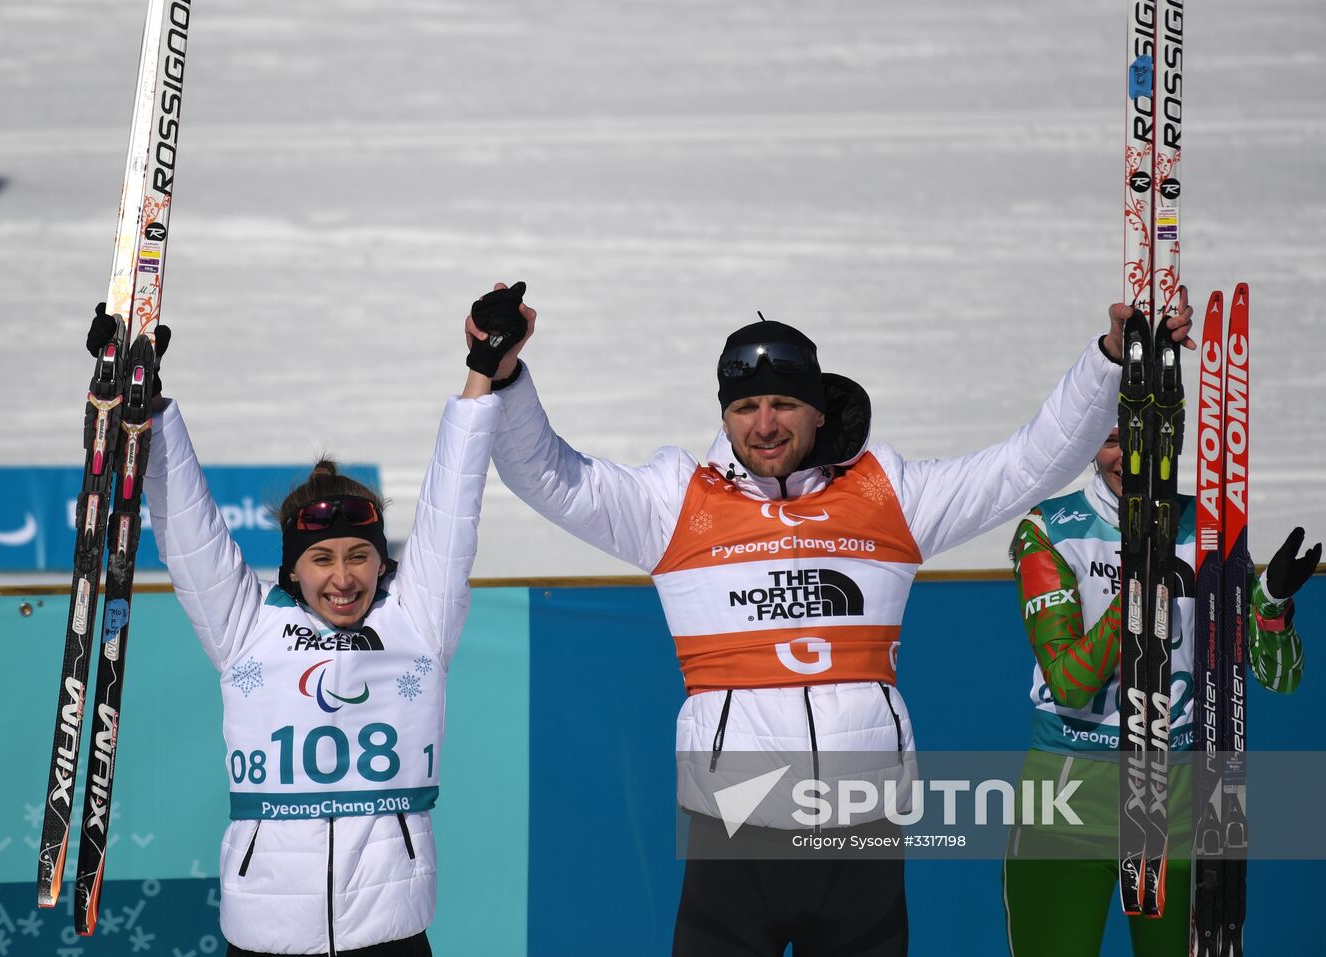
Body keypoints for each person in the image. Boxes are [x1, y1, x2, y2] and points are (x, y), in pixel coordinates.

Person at [470, 280, 1195, 955]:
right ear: (723, 414)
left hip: (861, 836)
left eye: (783, 404)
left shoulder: (886, 493)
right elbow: (549, 476)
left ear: (818, 408)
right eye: (745, 407)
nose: (764, 425)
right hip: (733, 836)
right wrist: (503, 377)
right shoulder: (675, 501)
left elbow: (1026, 465)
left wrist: (1110, 364)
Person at [88, 295, 522, 956]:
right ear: (293, 568)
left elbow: (452, 506)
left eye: (358, 557)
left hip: (388, 932)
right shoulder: (246, 627)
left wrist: (482, 374)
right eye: (322, 559)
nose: (343, 578)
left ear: (383, 562)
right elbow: (188, 531)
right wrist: (152, 408)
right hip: (266, 935)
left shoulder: (416, 622)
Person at [1003, 428, 1317, 957]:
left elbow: (1280, 678)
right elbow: (1069, 683)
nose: (1126, 457)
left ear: (1170, 441)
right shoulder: (1050, 529)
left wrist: (1270, 606)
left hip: (1179, 807)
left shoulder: (1211, 530)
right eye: (1110, 440)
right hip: (1067, 806)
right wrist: (1140, 584)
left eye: (1140, 438)